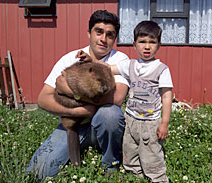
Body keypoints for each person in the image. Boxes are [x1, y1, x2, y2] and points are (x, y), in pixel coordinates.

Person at [26, 10, 129, 180]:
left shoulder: (120, 60)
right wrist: (80, 111)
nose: (103, 38)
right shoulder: (70, 58)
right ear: (89, 33)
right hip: (73, 123)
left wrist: (67, 89)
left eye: (110, 35)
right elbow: (43, 99)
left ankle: (110, 163)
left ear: (114, 38)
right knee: (37, 172)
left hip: (101, 125)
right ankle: (78, 154)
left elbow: (116, 98)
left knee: (110, 113)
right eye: (99, 32)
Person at [111, 20, 173, 182]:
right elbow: (109, 69)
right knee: (129, 151)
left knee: (151, 155)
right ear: (134, 44)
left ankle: (158, 178)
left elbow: (167, 96)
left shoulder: (162, 69)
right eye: (142, 42)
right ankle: (135, 176)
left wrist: (164, 123)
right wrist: (91, 62)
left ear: (159, 45)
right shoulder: (129, 65)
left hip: (150, 123)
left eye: (152, 42)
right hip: (130, 119)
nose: (147, 46)